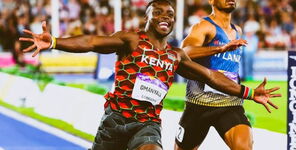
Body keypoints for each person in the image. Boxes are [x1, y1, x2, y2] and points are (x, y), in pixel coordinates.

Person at [19, 1, 280, 150]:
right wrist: (54, 41)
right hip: (115, 121)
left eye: (170, 14)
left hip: (147, 125)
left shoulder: (174, 55)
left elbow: (211, 76)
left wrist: (248, 93)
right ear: (147, 16)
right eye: (158, 12)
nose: (164, 17)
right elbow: (90, 42)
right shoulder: (130, 40)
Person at [175, 0, 279, 150]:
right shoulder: (203, 26)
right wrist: (220, 48)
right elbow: (184, 53)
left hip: (230, 104)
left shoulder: (238, 30)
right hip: (199, 104)